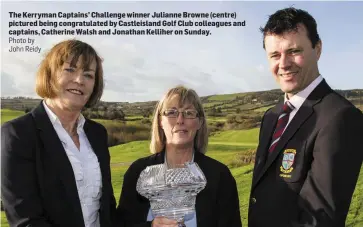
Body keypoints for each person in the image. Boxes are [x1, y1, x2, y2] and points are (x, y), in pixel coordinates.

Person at [249, 7, 363, 227]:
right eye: (275, 55)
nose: (283, 64)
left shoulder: (341, 117)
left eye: (293, 51)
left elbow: (320, 219)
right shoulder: (271, 116)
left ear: (317, 49)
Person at [1, 39, 116, 227]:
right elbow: (26, 220)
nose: (79, 80)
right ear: (50, 74)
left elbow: (107, 207)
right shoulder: (18, 134)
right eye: (70, 69)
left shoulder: (97, 133)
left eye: (88, 75)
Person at [116, 86, 242, 227]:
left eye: (189, 113)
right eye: (172, 112)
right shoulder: (139, 172)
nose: (180, 120)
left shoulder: (220, 176)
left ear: (199, 122)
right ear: (160, 121)